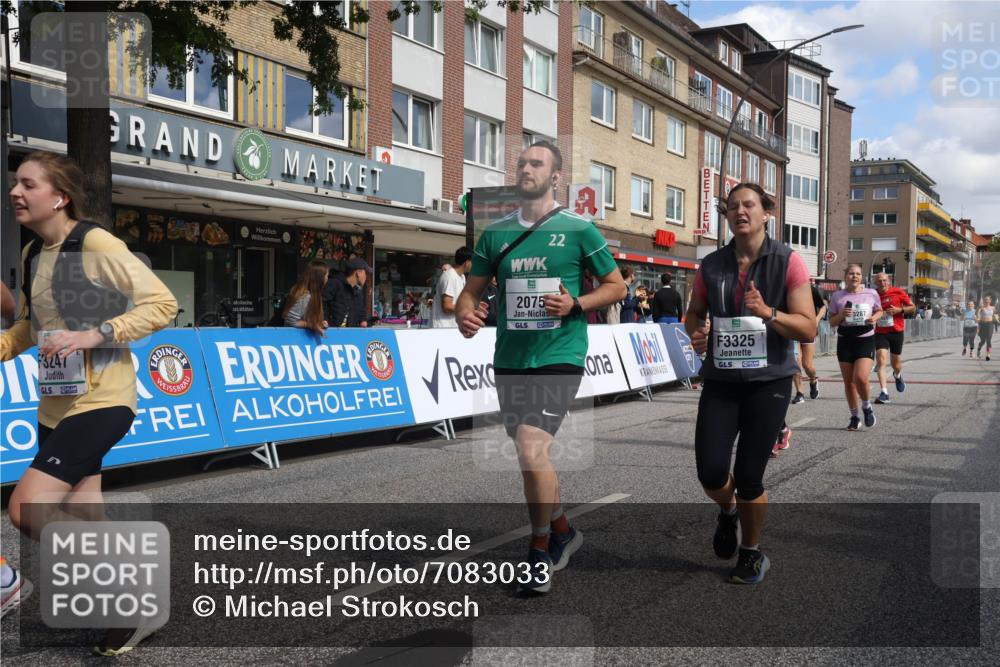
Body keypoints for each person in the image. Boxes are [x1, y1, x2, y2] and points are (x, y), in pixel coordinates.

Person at [3, 151, 177, 654]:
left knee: (26, 507)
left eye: (28, 185)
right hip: (55, 405)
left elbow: (162, 304)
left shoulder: (94, 243)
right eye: (15, 183)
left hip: (103, 399)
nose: (16, 192)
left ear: (59, 197)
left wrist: (96, 334)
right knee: (83, 515)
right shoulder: (33, 254)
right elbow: (30, 328)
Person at [455, 141, 626, 594]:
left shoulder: (579, 229)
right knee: (532, 457)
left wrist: (577, 303)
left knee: (532, 448)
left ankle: (539, 548)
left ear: (555, 177)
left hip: (560, 354)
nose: (525, 168)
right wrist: (464, 313)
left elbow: (617, 286)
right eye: (521, 162)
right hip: (511, 358)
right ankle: (564, 529)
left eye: (536, 163)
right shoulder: (495, 233)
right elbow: (470, 292)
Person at [685, 183, 815, 584]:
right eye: (733, 207)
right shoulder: (712, 265)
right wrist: (697, 333)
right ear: (727, 216)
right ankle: (727, 512)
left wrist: (768, 312)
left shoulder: (788, 262)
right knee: (710, 472)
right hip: (722, 380)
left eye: (749, 205)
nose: (740, 211)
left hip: (768, 381)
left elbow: (808, 327)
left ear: (766, 213)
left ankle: (752, 551)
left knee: (750, 476)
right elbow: (693, 314)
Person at [828, 264, 883, 431]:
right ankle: (854, 417)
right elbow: (831, 322)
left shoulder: (871, 293)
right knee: (849, 383)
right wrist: (841, 315)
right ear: (846, 276)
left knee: (860, 378)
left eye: (858, 274)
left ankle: (866, 406)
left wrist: (874, 318)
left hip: (865, 338)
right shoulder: (837, 296)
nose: (855, 276)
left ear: (862, 277)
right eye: (851, 273)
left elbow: (880, 310)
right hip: (845, 340)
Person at [872, 272, 915, 404]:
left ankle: (897, 375)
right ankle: (884, 392)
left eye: (884, 280)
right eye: (879, 281)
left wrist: (900, 310)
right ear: (875, 282)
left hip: (896, 331)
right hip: (880, 332)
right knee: (881, 360)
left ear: (889, 281)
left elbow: (912, 308)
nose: (882, 283)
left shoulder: (898, 291)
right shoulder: (872, 294)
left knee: (896, 364)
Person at [281, 260, 329, 335]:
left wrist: (319, 323)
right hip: (293, 339)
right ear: (319, 278)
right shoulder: (305, 296)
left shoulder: (310, 294)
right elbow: (291, 321)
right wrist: (311, 325)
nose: (327, 279)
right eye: (326, 276)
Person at [323, 257, 371, 328]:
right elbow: (322, 303)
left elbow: (361, 309)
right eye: (365, 273)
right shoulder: (335, 283)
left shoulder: (358, 290)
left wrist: (363, 320)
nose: (366, 277)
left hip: (350, 334)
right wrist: (324, 320)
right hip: (331, 333)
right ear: (358, 273)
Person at [432, 247, 472, 328]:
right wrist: (468, 308)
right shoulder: (449, 276)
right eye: (473, 262)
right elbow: (447, 306)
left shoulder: (462, 277)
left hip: (453, 327)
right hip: (443, 328)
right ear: (467, 262)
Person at [977, 296, 997, 360]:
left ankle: (988, 354)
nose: (986, 301)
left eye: (988, 300)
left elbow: (995, 315)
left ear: (990, 301)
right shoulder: (982, 308)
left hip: (990, 324)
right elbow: (978, 314)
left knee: (988, 340)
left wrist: (997, 320)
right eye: (985, 300)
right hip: (982, 324)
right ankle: (979, 349)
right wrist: (978, 318)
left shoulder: (993, 308)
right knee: (982, 341)